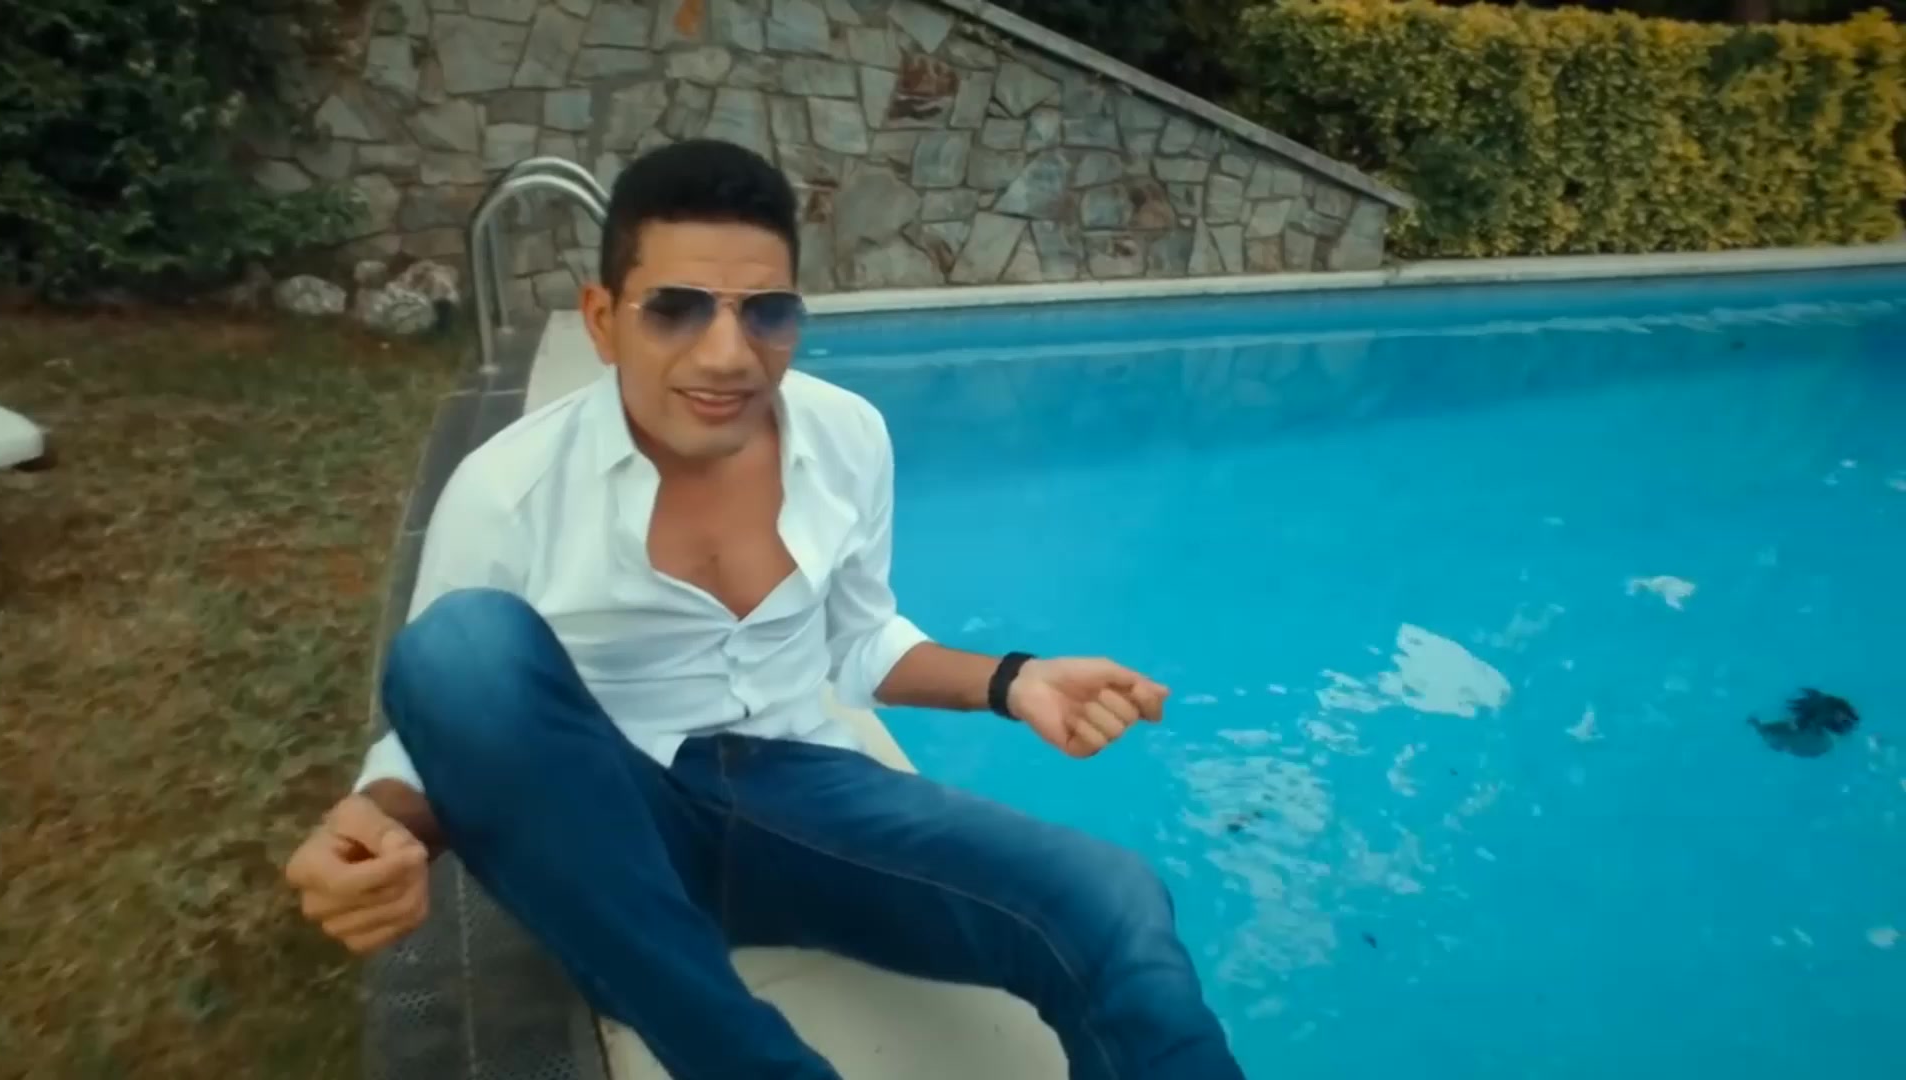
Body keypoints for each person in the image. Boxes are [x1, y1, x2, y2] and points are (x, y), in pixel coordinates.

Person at [283, 138, 1244, 1080]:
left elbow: (860, 638)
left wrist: (1013, 679)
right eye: (676, 309)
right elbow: (448, 720)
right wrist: (378, 830)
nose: (728, 354)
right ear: (603, 320)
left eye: (767, 313)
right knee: (459, 647)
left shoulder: (846, 437)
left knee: (1112, 901)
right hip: (611, 838)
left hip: (802, 797)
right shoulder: (508, 490)